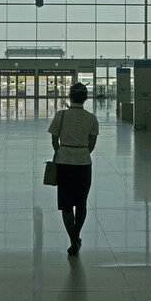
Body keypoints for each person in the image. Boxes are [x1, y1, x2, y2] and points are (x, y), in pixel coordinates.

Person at [48, 82, 99, 255]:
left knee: (66, 205)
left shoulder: (60, 116)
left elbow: (54, 140)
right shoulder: (91, 118)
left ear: (70, 96)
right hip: (84, 163)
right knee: (81, 203)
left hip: (64, 163)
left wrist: (62, 152)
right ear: (86, 98)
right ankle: (77, 236)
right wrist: (81, 152)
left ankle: (73, 239)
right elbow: (92, 144)